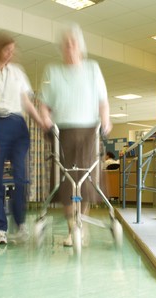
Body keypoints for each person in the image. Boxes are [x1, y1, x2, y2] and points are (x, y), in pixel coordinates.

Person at [39, 23, 112, 247]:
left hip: (89, 131)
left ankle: (81, 227)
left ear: (80, 46)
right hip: (62, 132)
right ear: (61, 48)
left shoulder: (92, 68)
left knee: (86, 182)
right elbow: (43, 104)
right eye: (66, 44)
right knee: (67, 185)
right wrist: (46, 120)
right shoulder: (52, 71)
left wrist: (106, 121)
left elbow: (103, 102)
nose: (70, 47)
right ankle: (73, 230)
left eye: (73, 43)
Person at [0, 31, 44, 245]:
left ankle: (20, 224)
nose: (11, 54)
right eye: (7, 50)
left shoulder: (18, 72)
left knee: (21, 178)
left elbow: (26, 102)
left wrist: (40, 121)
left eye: (13, 50)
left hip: (18, 125)